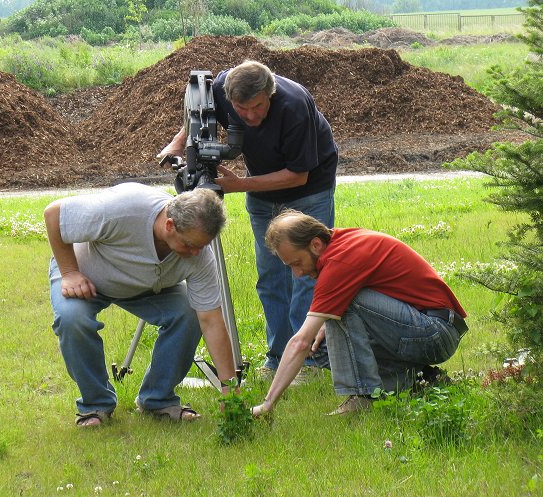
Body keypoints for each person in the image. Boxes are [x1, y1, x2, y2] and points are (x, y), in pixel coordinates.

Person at [160, 60, 338, 378]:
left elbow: (298, 176)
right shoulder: (220, 89)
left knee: (306, 273)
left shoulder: (295, 104)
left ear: (270, 94)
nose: (250, 116)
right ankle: (278, 358)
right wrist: (175, 146)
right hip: (261, 190)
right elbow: (200, 117)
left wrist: (240, 184)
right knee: (271, 277)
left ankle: (309, 361)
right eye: (242, 109)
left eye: (258, 107)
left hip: (309, 188)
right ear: (230, 98)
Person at [44, 183, 238, 426]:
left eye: (203, 245)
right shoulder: (122, 209)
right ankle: (95, 405)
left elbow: (211, 321)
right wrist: (70, 272)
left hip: (148, 287)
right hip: (86, 278)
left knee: (190, 312)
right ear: (169, 225)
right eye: (190, 245)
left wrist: (230, 390)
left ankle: (157, 400)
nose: (198, 253)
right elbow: (53, 214)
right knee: (72, 319)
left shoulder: (199, 253)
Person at [250, 210, 469, 417]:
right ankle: (419, 379)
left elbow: (300, 342)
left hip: (436, 333)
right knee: (321, 349)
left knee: (339, 308)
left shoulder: (339, 261)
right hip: (423, 328)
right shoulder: (339, 242)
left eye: (297, 263)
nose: (297, 274)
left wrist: (268, 404)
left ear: (315, 244)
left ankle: (363, 395)